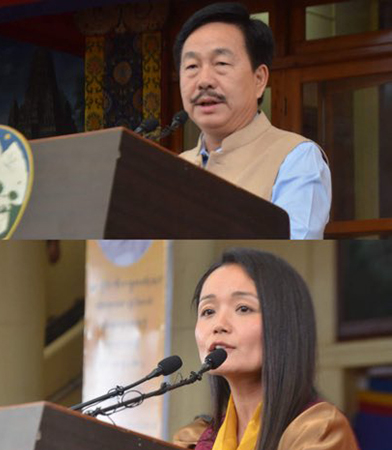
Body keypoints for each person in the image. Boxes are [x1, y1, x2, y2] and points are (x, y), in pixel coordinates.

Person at [173, 248, 359, 450]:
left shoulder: (318, 430)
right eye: (208, 311)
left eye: (243, 308)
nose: (219, 325)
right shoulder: (196, 439)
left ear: (286, 324)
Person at [174, 3, 331, 239]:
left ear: (259, 79)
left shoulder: (296, 158)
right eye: (192, 66)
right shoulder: (173, 167)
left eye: (221, 64)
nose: (204, 80)